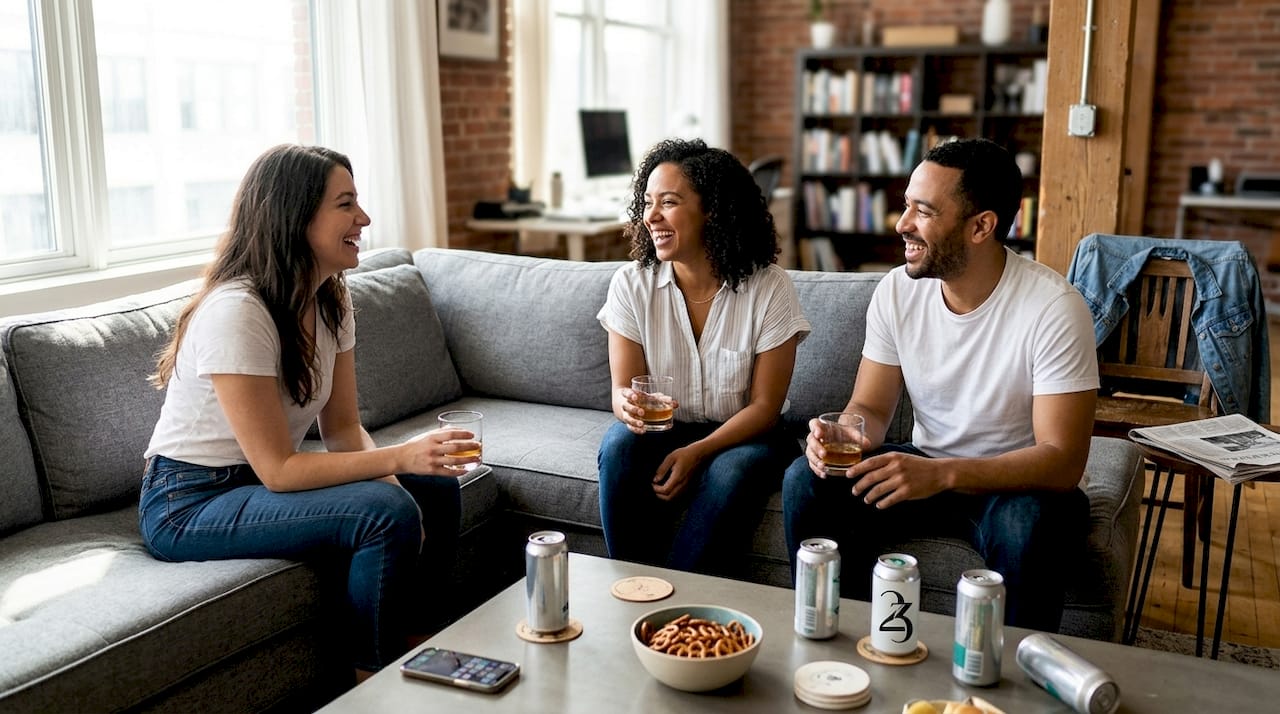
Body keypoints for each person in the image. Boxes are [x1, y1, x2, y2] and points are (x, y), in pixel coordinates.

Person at [139, 144, 475, 677]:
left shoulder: (329, 302)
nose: (363, 219)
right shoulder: (238, 313)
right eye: (346, 205)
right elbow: (279, 469)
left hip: (255, 481)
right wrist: (399, 467)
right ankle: (375, 679)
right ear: (296, 218)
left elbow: (341, 429)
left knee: (430, 488)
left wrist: (401, 480)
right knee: (385, 513)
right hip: (188, 501)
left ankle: (420, 643)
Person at [782, 138, 1099, 632]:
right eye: (906, 205)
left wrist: (943, 474)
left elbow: (1062, 460)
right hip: (926, 468)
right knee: (806, 479)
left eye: (923, 211)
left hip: (1017, 483)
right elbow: (870, 404)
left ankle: (1012, 683)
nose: (901, 223)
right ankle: (836, 638)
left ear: (981, 226)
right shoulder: (896, 291)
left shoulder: (1054, 307)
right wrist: (845, 436)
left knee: (1026, 524)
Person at [596, 138, 811, 576]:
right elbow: (623, 389)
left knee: (729, 472)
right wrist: (626, 406)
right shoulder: (631, 285)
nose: (651, 216)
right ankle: (632, 589)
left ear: (712, 209)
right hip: (666, 431)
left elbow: (765, 408)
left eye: (669, 203)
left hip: (749, 435)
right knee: (618, 445)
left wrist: (698, 452)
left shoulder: (770, 288)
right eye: (648, 203)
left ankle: (681, 605)